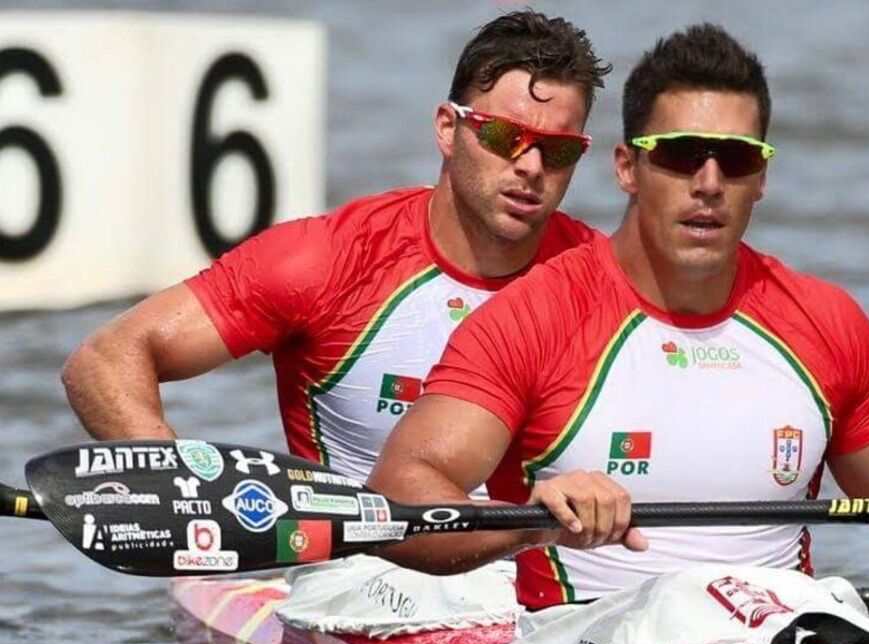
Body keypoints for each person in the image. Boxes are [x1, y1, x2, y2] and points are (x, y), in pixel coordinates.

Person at [368, 23, 869, 611]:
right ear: (628, 168)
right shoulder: (534, 317)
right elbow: (404, 492)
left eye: (736, 159)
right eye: (682, 154)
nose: (709, 182)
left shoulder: (824, 322)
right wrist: (529, 521)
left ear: (762, 179)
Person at [61, 10, 611, 484]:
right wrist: (177, 486)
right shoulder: (326, 261)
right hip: (360, 565)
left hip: (538, 565)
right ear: (448, 128)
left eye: (558, 150)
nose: (530, 166)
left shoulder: (604, 279)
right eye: (505, 136)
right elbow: (105, 360)